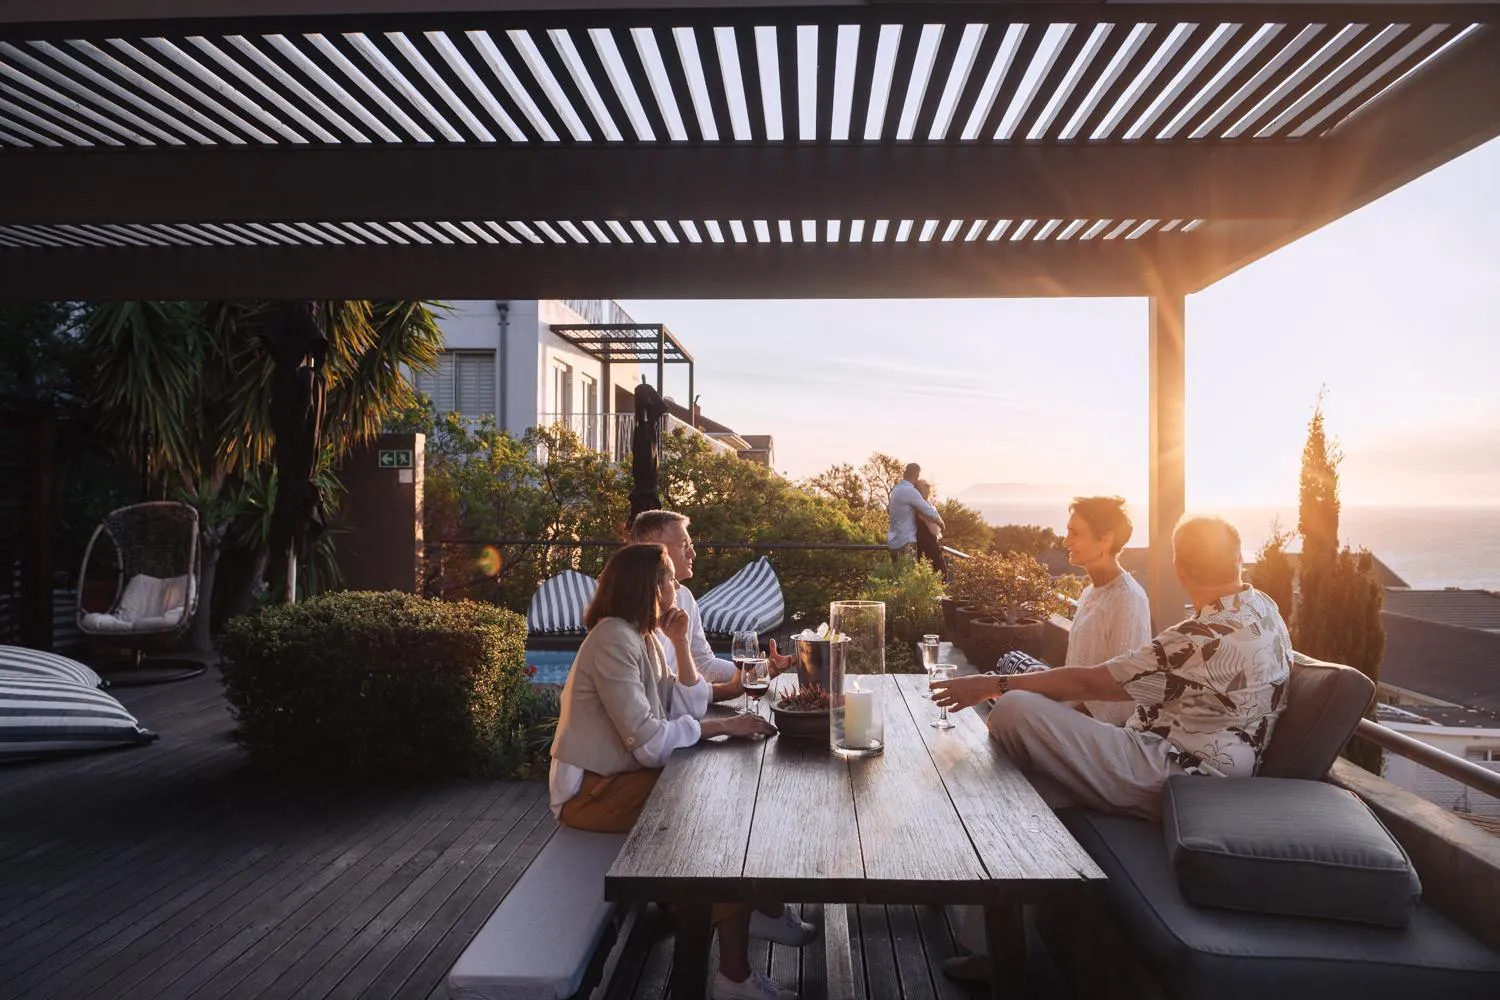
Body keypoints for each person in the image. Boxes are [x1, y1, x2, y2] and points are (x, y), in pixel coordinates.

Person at [933, 514, 1291, 982]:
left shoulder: (1205, 636)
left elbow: (1092, 681)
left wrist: (991, 685)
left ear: (1179, 568)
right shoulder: (1262, 607)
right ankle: (995, 956)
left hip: (1179, 777)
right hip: (1182, 764)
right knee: (1025, 790)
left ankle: (984, 944)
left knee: (1014, 709)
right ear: (1239, 558)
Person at [549, 543, 802, 1000]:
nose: (676, 586)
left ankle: (741, 936)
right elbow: (648, 743)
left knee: (721, 817)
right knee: (712, 831)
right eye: (668, 577)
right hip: (591, 793)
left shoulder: (643, 636)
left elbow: (686, 702)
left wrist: (681, 644)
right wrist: (725, 726)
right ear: (648, 585)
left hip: (622, 779)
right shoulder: (612, 639)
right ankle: (734, 970)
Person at [998, 497, 1152, 724]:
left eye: (1075, 533)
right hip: (1070, 709)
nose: (1066, 540)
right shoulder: (1089, 592)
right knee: (1005, 676)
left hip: (1100, 728)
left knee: (1010, 706)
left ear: (1105, 540)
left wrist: (1060, 718)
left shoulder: (1127, 598)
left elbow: (1121, 691)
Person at [628, 509, 794, 702]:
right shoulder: (628, 611)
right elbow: (652, 696)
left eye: (690, 545)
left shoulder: (684, 597)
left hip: (676, 712)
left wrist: (759, 671)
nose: (692, 553)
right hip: (660, 718)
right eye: (683, 545)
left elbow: (704, 664)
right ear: (651, 549)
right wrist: (732, 691)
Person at [888, 463, 944, 567]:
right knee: (909, 577)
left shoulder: (897, 489)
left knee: (897, 576)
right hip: (905, 541)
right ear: (917, 475)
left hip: (893, 541)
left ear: (905, 473)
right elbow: (927, 509)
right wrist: (940, 521)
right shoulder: (910, 491)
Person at [913, 479, 947, 575]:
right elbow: (925, 517)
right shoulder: (919, 504)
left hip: (931, 540)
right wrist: (939, 522)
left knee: (939, 572)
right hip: (925, 540)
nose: (926, 490)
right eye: (920, 488)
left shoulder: (928, 503)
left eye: (927, 487)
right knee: (938, 572)